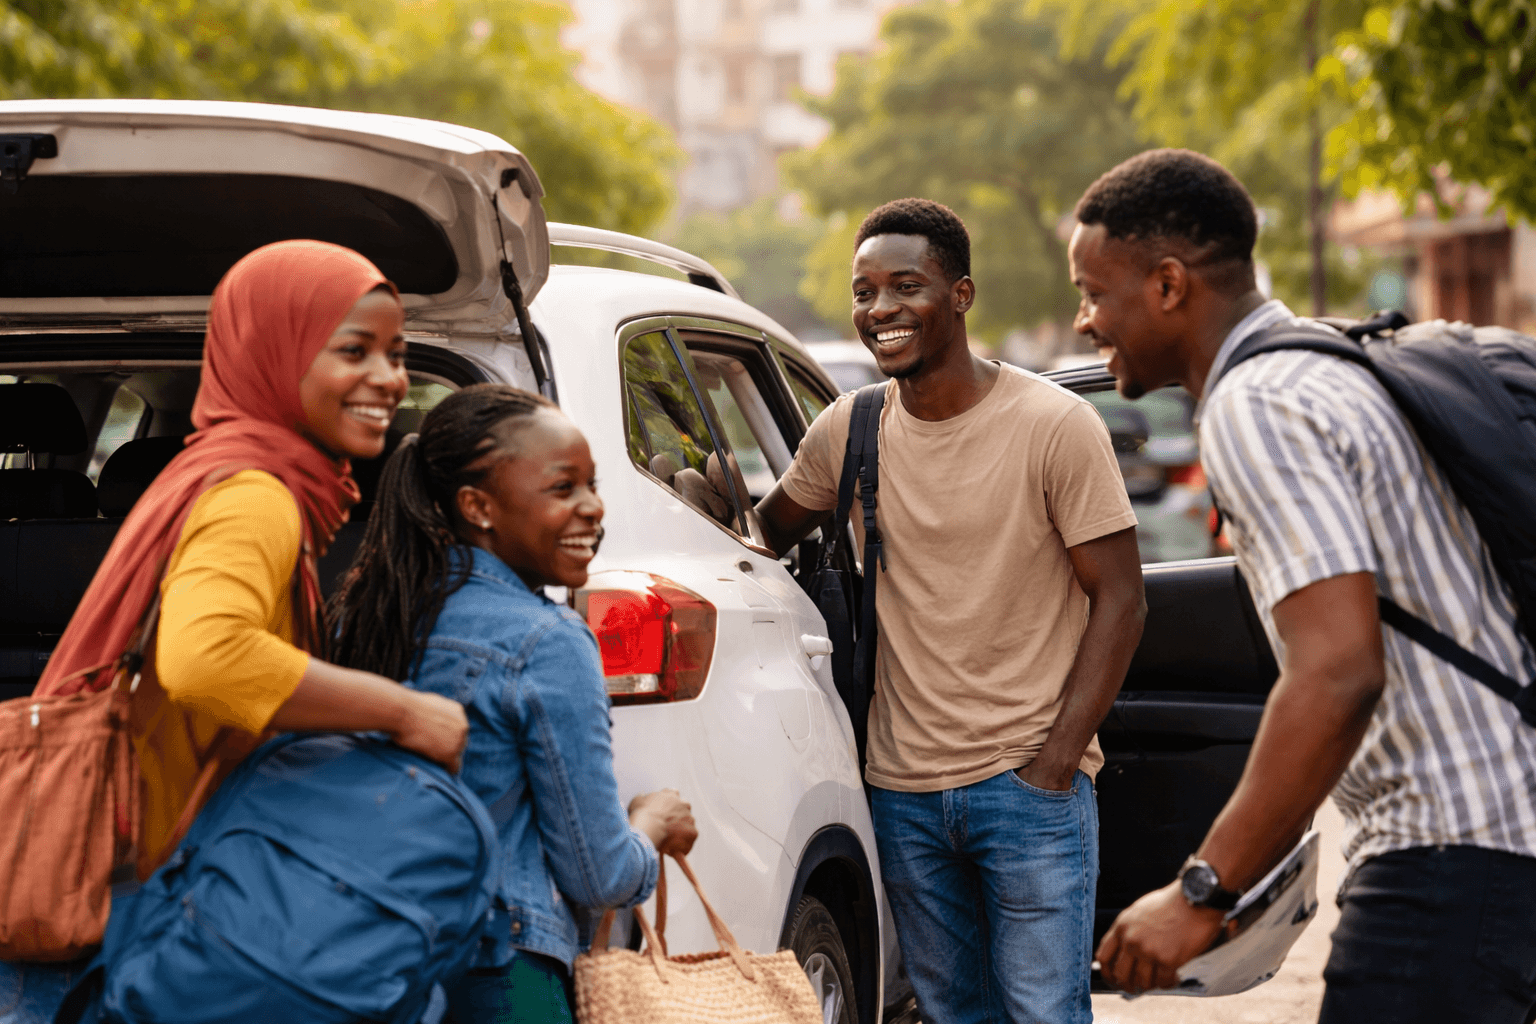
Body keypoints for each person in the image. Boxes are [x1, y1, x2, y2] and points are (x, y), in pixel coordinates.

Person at [1074, 149, 1536, 1022]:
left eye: (1095, 293)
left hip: (1448, 847)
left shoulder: (1256, 407)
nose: (1083, 321)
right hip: (1507, 829)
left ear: (1169, 285)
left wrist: (1202, 891)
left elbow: (1336, 670)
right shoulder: (1327, 364)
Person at [2, 240, 470, 1023]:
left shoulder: (226, 469)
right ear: (274, 354)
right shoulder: (257, 493)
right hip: (123, 894)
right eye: (352, 351)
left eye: (395, 354)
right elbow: (204, 657)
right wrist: (404, 710)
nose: (390, 380)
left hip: (117, 882)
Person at [750, 198, 1146, 1024]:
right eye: (864, 292)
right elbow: (759, 537)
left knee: (1044, 1012)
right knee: (949, 1013)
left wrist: (1057, 761)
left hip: (1027, 779)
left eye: (905, 286)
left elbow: (1122, 598)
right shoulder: (848, 429)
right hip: (902, 789)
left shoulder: (1053, 425)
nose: (880, 310)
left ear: (960, 295)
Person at [328, 384, 697, 1024]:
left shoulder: (360, 618)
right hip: (501, 974)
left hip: (365, 963)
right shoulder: (548, 642)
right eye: (563, 489)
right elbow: (599, 875)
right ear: (478, 507)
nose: (593, 509)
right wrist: (650, 827)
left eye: (592, 485)